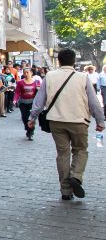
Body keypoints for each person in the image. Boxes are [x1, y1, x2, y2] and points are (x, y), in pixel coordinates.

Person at [29, 49, 106, 201]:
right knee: (80, 150)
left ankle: (65, 190)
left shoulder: (49, 76)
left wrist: (32, 117)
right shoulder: (82, 77)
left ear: (59, 61)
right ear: (74, 61)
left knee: (62, 154)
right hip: (79, 121)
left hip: (56, 121)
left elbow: (39, 100)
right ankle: (76, 176)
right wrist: (100, 120)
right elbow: (93, 102)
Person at [14, 68, 41, 140]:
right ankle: (27, 127)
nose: (26, 74)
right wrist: (15, 100)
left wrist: (38, 89)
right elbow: (17, 92)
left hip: (32, 103)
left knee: (31, 118)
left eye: (27, 72)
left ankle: (31, 132)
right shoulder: (20, 82)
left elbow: (40, 91)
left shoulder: (36, 82)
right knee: (24, 117)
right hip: (23, 102)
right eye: (24, 73)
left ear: (31, 73)